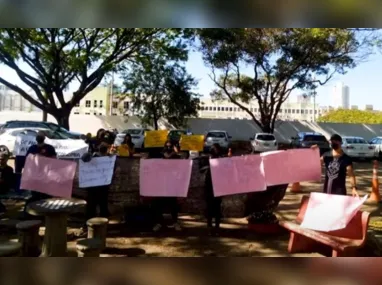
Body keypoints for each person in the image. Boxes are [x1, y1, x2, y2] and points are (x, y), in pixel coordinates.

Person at [151, 140, 182, 232]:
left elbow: (183, 165)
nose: (168, 148)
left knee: (173, 204)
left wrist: (176, 153)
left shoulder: (176, 157)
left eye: (170, 146)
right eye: (167, 146)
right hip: (160, 184)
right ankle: (159, 223)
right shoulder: (159, 156)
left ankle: (175, 222)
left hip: (172, 183)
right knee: (157, 204)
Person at [201, 143, 224, 235]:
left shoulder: (222, 159)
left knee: (217, 207)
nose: (214, 151)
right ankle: (209, 226)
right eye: (212, 149)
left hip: (218, 185)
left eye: (215, 149)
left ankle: (217, 226)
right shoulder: (207, 158)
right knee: (210, 207)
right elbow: (201, 169)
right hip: (209, 185)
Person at [84, 142, 111, 221]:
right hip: (101, 185)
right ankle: (102, 221)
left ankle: (90, 221)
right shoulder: (107, 159)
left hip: (93, 185)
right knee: (101, 204)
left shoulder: (92, 157)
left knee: (92, 205)